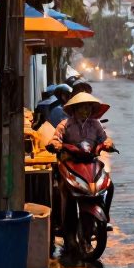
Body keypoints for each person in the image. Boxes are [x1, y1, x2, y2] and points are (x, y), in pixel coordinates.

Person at [48, 93, 114, 258]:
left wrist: (108, 144)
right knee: (66, 194)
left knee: (109, 185)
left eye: (89, 106)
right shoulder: (65, 125)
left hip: (90, 164)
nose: (88, 109)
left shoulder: (95, 124)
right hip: (69, 164)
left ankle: (104, 216)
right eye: (84, 106)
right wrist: (55, 145)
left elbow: (104, 139)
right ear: (75, 108)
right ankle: (67, 233)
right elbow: (55, 139)